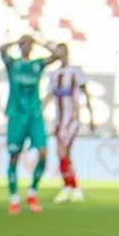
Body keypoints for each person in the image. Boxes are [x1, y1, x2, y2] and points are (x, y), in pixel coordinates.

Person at [0, 35, 62, 215]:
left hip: (35, 116)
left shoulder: (37, 65)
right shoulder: (13, 64)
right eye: (24, 43)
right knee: (14, 156)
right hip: (16, 116)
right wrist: (16, 41)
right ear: (20, 46)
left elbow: (57, 55)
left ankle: (32, 192)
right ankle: (14, 198)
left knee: (43, 153)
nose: (27, 46)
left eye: (29, 44)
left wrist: (40, 42)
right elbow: (1, 49)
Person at [45, 42, 95, 204]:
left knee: (63, 152)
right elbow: (48, 96)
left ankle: (71, 187)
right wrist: (39, 113)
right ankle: (71, 187)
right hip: (59, 120)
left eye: (61, 51)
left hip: (71, 119)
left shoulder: (75, 72)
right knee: (64, 154)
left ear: (66, 52)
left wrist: (91, 117)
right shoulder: (53, 74)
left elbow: (86, 94)